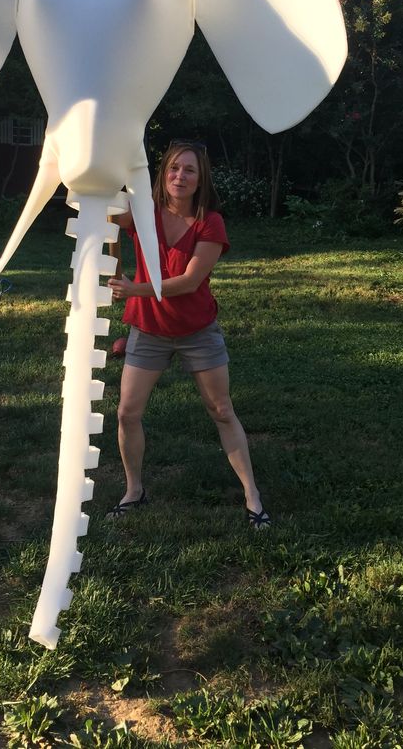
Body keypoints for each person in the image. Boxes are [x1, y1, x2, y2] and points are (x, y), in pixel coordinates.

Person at [107, 140, 271, 529]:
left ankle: (253, 496)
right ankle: (134, 490)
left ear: (200, 180)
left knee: (221, 410)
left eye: (190, 170)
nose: (180, 176)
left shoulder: (209, 222)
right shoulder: (145, 212)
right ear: (163, 173)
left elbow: (189, 281)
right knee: (127, 413)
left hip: (197, 330)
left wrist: (136, 290)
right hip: (148, 329)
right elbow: (109, 213)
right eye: (174, 168)